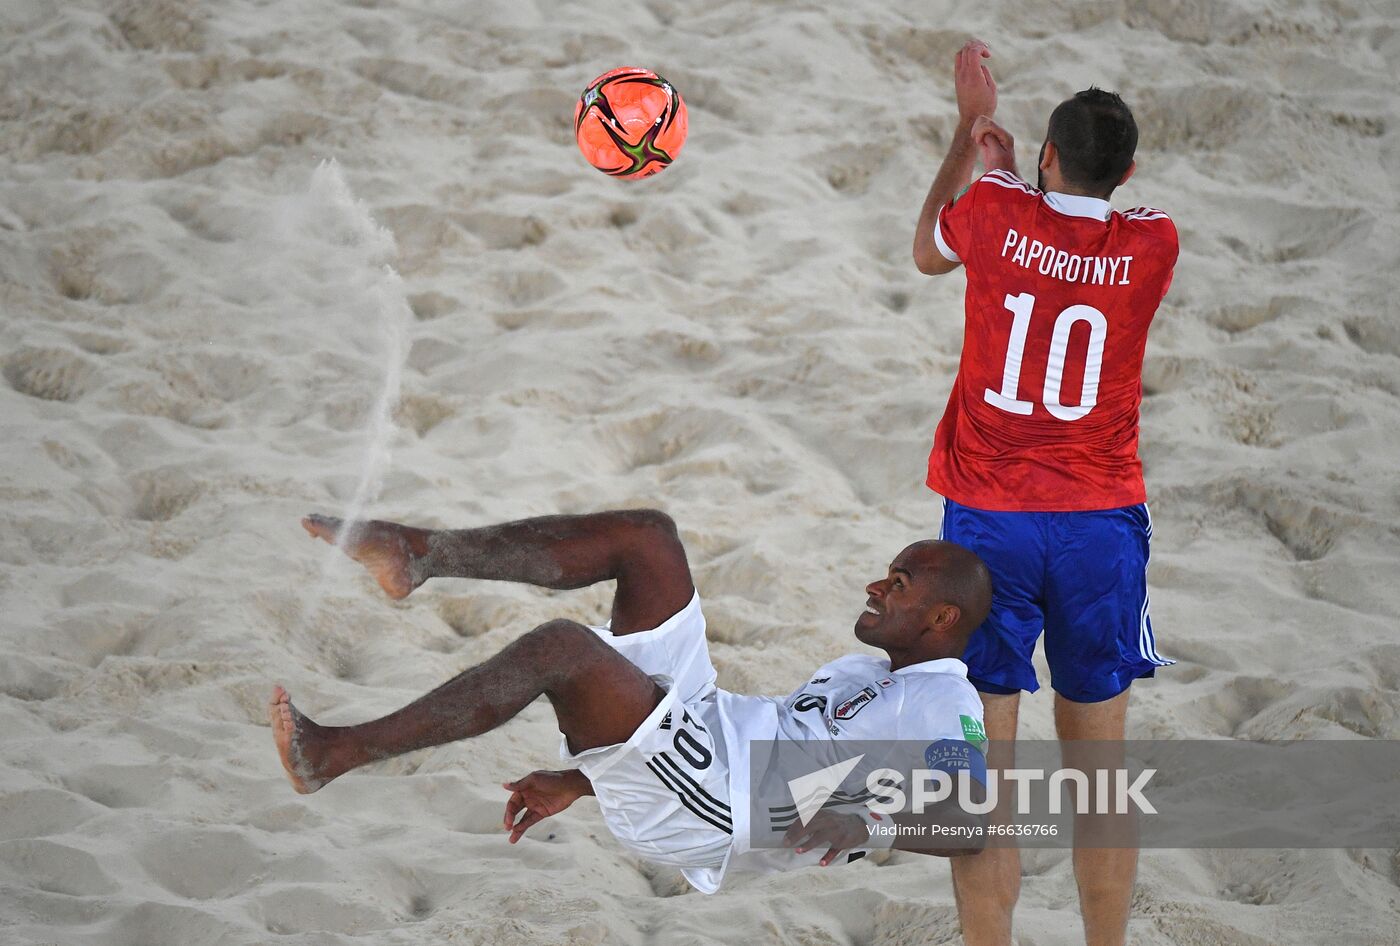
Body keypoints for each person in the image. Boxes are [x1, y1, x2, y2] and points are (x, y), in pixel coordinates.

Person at [271, 509, 994, 893]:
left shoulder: (941, 702)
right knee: (647, 540)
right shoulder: (864, 670)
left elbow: (973, 819)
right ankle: (420, 555)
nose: (875, 587)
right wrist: (583, 780)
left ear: (941, 621)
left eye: (898, 584)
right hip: (711, 736)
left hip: (720, 805)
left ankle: (332, 753)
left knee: (562, 650)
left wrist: (866, 827)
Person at [910, 39, 1179, 946]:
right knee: (1100, 777)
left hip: (988, 523)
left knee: (981, 779)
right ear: (1130, 173)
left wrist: (968, 135)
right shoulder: (1153, 243)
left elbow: (925, 251)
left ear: (1046, 154)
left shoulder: (991, 211)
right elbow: (1075, 229)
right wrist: (1022, 185)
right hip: (1098, 528)